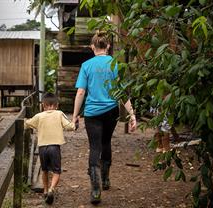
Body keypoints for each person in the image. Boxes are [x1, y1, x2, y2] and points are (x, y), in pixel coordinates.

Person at [71, 31, 137, 204]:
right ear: (108, 46)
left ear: (92, 47)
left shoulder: (86, 65)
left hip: (92, 113)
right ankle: (106, 179)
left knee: (95, 147)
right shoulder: (116, 64)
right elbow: (123, 94)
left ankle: (95, 189)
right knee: (106, 142)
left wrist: (75, 115)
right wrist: (132, 115)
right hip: (111, 112)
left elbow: (81, 92)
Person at [25, 92, 75, 205]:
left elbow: (27, 124)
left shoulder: (39, 116)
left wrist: (23, 121)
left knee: (44, 170)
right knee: (56, 171)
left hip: (42, 148)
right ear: (57, 105)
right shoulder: (59, 114)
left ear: (43, 105)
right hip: (54, 148)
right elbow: (69, 127)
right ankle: (52, 189)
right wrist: (75, 123)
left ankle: (45, 190)